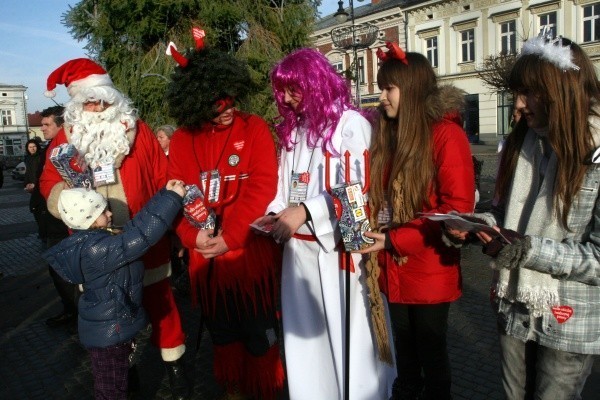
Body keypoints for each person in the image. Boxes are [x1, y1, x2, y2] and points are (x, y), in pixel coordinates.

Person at [448, 34, 600, 400]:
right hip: (514, 306)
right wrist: (474, 228)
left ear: (558, 89)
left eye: (529, 92)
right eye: (518, 91)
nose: (518, 104)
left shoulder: (594, 154)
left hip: (570, 318)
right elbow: (502, 215)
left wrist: (527, 250)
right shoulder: (522, 142)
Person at [39, 58, 190, 400]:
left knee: (163, 308)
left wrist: (175, 228)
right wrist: (67, 201)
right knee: (110, 318)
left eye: (101, 99)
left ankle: (177, 372)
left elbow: (163, 178)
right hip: (94, 250)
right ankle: (127, 373)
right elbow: (49, 182)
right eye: (88, 101)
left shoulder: (140, 130)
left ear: (112, 97)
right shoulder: (66, 138)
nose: (96, 107)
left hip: (145, 240)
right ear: (77, 103)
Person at [253, 47, 396, 400]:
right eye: (282, 91)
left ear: (314, 82)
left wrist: (306, 211)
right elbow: (284, 188)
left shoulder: (350, 124)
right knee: (306, 345)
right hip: (296, 255)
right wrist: (274, 213)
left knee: (347, 341)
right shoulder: (294, 131)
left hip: (336, 256)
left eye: (293, 89)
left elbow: (359, 189)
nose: (286, 98)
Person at [165, 29, 284, 400]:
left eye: (231, 100)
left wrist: (231, 237)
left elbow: (262, 187)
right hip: (209, 268)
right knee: (224, 340)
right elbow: (176, 195)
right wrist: (190, 237)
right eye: (218, 105)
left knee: (260, 342)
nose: (228, 109)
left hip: (250, 259)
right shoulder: (184, 139)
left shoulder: (255, 128)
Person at [355, 42, 475, 400]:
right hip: (393, 266)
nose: (382, 97)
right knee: (405, 360)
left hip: (427, 267)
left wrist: (393, 240)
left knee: (431, 357)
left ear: (410, 88)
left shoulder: (445, 135)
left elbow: (455, 208)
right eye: (381, 88)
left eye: (388, 88)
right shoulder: (391, 136)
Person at [43, 180, 187, 400]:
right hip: (109, 334)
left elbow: (134, 226)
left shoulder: (96, 240)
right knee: (111, 390)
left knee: (114, 385)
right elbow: (141, 237)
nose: (110, 213)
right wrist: (173, 199)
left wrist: (163, 194)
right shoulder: (98, 249)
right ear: (89, 220)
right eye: (103, 211)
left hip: (111, 329)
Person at [37, 106, 80, 328]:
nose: (42, 128)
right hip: (51, 218)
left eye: (46, 125)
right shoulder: (52, 147)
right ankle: (72, 310)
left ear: (60, 125)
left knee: (64, 270)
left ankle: (76, 313)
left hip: (63, 222)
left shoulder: (66, 145)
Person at [24, 138, 46, 240]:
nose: (32, 149)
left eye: (34, 147)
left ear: (37, 147)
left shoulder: (41, 157)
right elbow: (28, 172)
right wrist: (27, 184)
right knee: (35, 209)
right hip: (33, 187)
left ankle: (44, 233)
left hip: (41, 186)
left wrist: (35, 184)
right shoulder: (27, 158)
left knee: (40, 209)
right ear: (27, 149)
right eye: (30, 147)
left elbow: (42, 173)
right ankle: (42, 231)